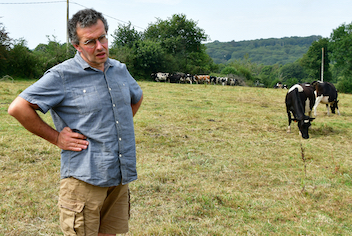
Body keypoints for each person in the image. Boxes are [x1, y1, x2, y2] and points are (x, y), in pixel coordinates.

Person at [8, 8, 143, 236]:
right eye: (90, 41)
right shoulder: (62, 75)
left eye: (102, 38)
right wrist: (57, 138)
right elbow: (18, 108)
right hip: (84, 179)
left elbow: (136, 98)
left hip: (119, 177)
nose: (99, 46)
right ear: (77, 46)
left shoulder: (119, 69)